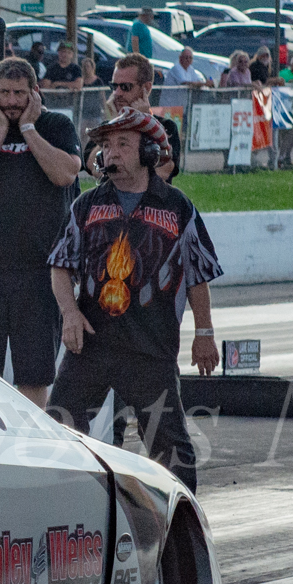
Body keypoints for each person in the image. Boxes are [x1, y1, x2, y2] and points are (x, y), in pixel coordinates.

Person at [48, 108, 222, 492]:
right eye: (107, 146)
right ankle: (60, 507)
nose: (111, 153)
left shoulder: (177, 207)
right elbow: (60, 266)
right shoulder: (86, 206)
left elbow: (198, 276)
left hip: (150, 348)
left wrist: (205, 333)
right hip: (91, 344)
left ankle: (181, 517)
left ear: (148, 153)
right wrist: (70, 313)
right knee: (58, 428)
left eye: (123, 144)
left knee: (171, 449)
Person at [0, 57, 81, 406]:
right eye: (4, 93)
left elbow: (65, 174)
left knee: (34, 375)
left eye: (19, 93)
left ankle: (30, 437)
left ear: (35, 93)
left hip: (38, 273)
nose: (11, 101)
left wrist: (29, 129)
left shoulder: (56, 125)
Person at [84, 54, 179, 183]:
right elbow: (94, 168)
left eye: (125, 87)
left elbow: (164, 171)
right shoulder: (105, 129)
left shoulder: (166, 127)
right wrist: (116, 124)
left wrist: (145, 123)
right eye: (114, 86)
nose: (117, 93)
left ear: (146, 88)